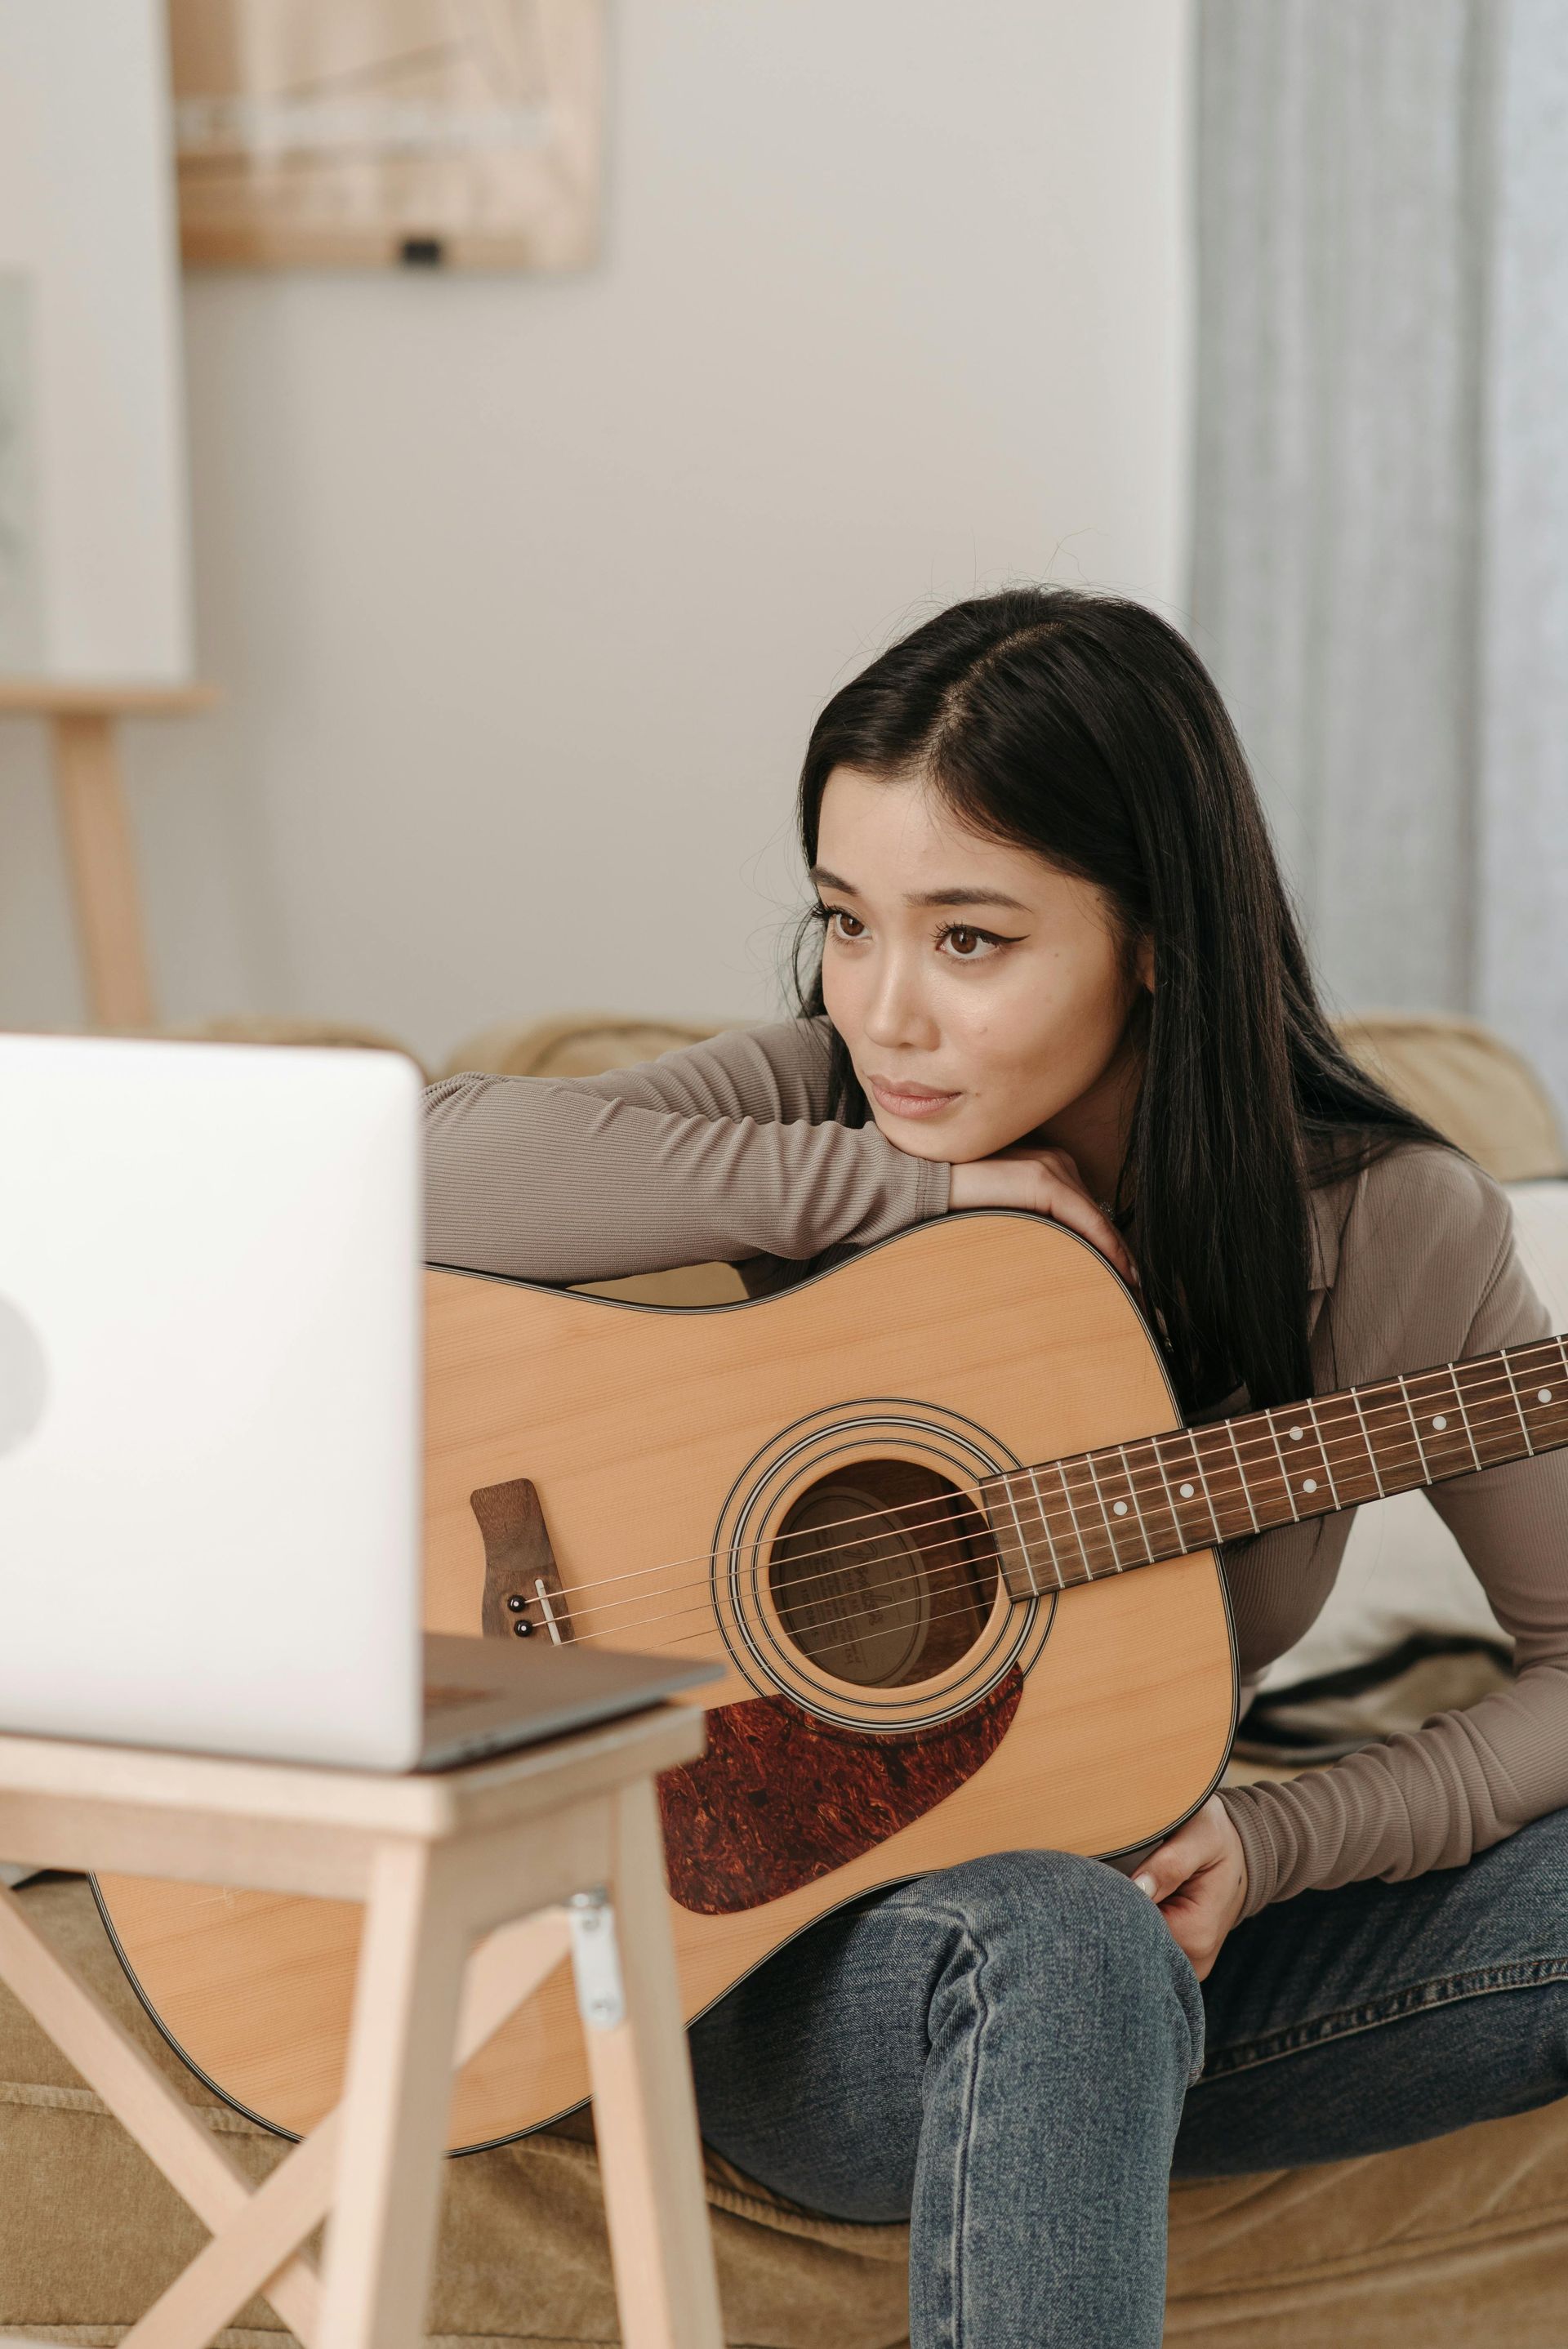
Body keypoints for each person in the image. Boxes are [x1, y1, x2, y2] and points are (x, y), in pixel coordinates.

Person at [425, 586, 1568, 2346]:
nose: (889, 1014)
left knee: (1091, 1941)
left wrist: (1283, 1839)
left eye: (969, 941)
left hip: (1145, 1938)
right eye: (844, 924)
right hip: (783, 1957)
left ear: (1159, 935)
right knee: (1051, 1938)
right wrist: (913, 1195)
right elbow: (424, 1165)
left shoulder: (1393, 1231)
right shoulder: (824, 1106)